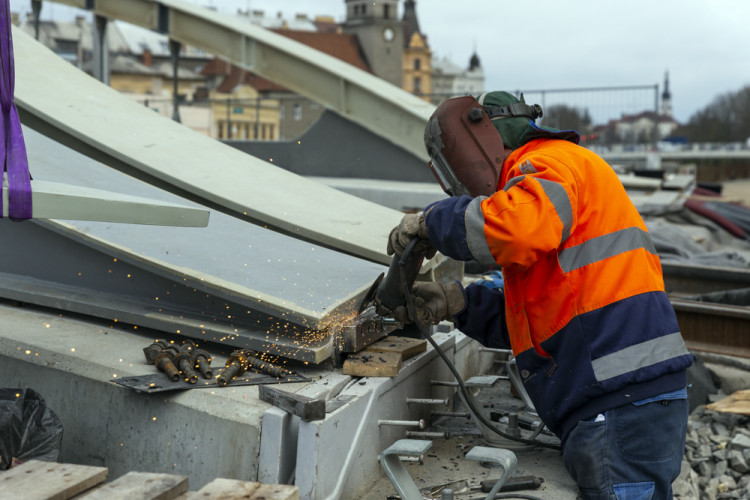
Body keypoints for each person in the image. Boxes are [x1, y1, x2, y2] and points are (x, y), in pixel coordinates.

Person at [386, 91, 694, 500]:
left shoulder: (546, 164)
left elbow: (514, 229)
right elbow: (541, 312)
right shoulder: (557, 179)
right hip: (628, 398)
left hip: (621, 401)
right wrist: (457, 303)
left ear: (483, 141)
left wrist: (429, 223)